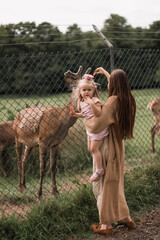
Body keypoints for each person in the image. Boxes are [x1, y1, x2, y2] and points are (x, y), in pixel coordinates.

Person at [84, 67, 136, 236]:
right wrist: (108, 74)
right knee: (116, 182)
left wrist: (86, 119)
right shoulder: (129, 99)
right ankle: (125, 217)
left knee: (102, 184)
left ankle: (106, 225)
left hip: (107, 146)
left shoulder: (113, 101)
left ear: (113, 84)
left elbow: (98, 123)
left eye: (110, 82)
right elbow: (114, 85)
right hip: (119, 147)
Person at [70, 74, 109, 182]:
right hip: (90, 128)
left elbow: (97, 113)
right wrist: (76, 115)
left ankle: (100, 170)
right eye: (84, 90)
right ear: (80, 92)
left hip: (97, 128)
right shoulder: (82, 102)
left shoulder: (95, 100)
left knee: (94, 148)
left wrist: (91, 103)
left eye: (89, 90)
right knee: (89, 148)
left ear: (93, 91)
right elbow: (86, 114)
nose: (86, 92)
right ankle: (98, 163)